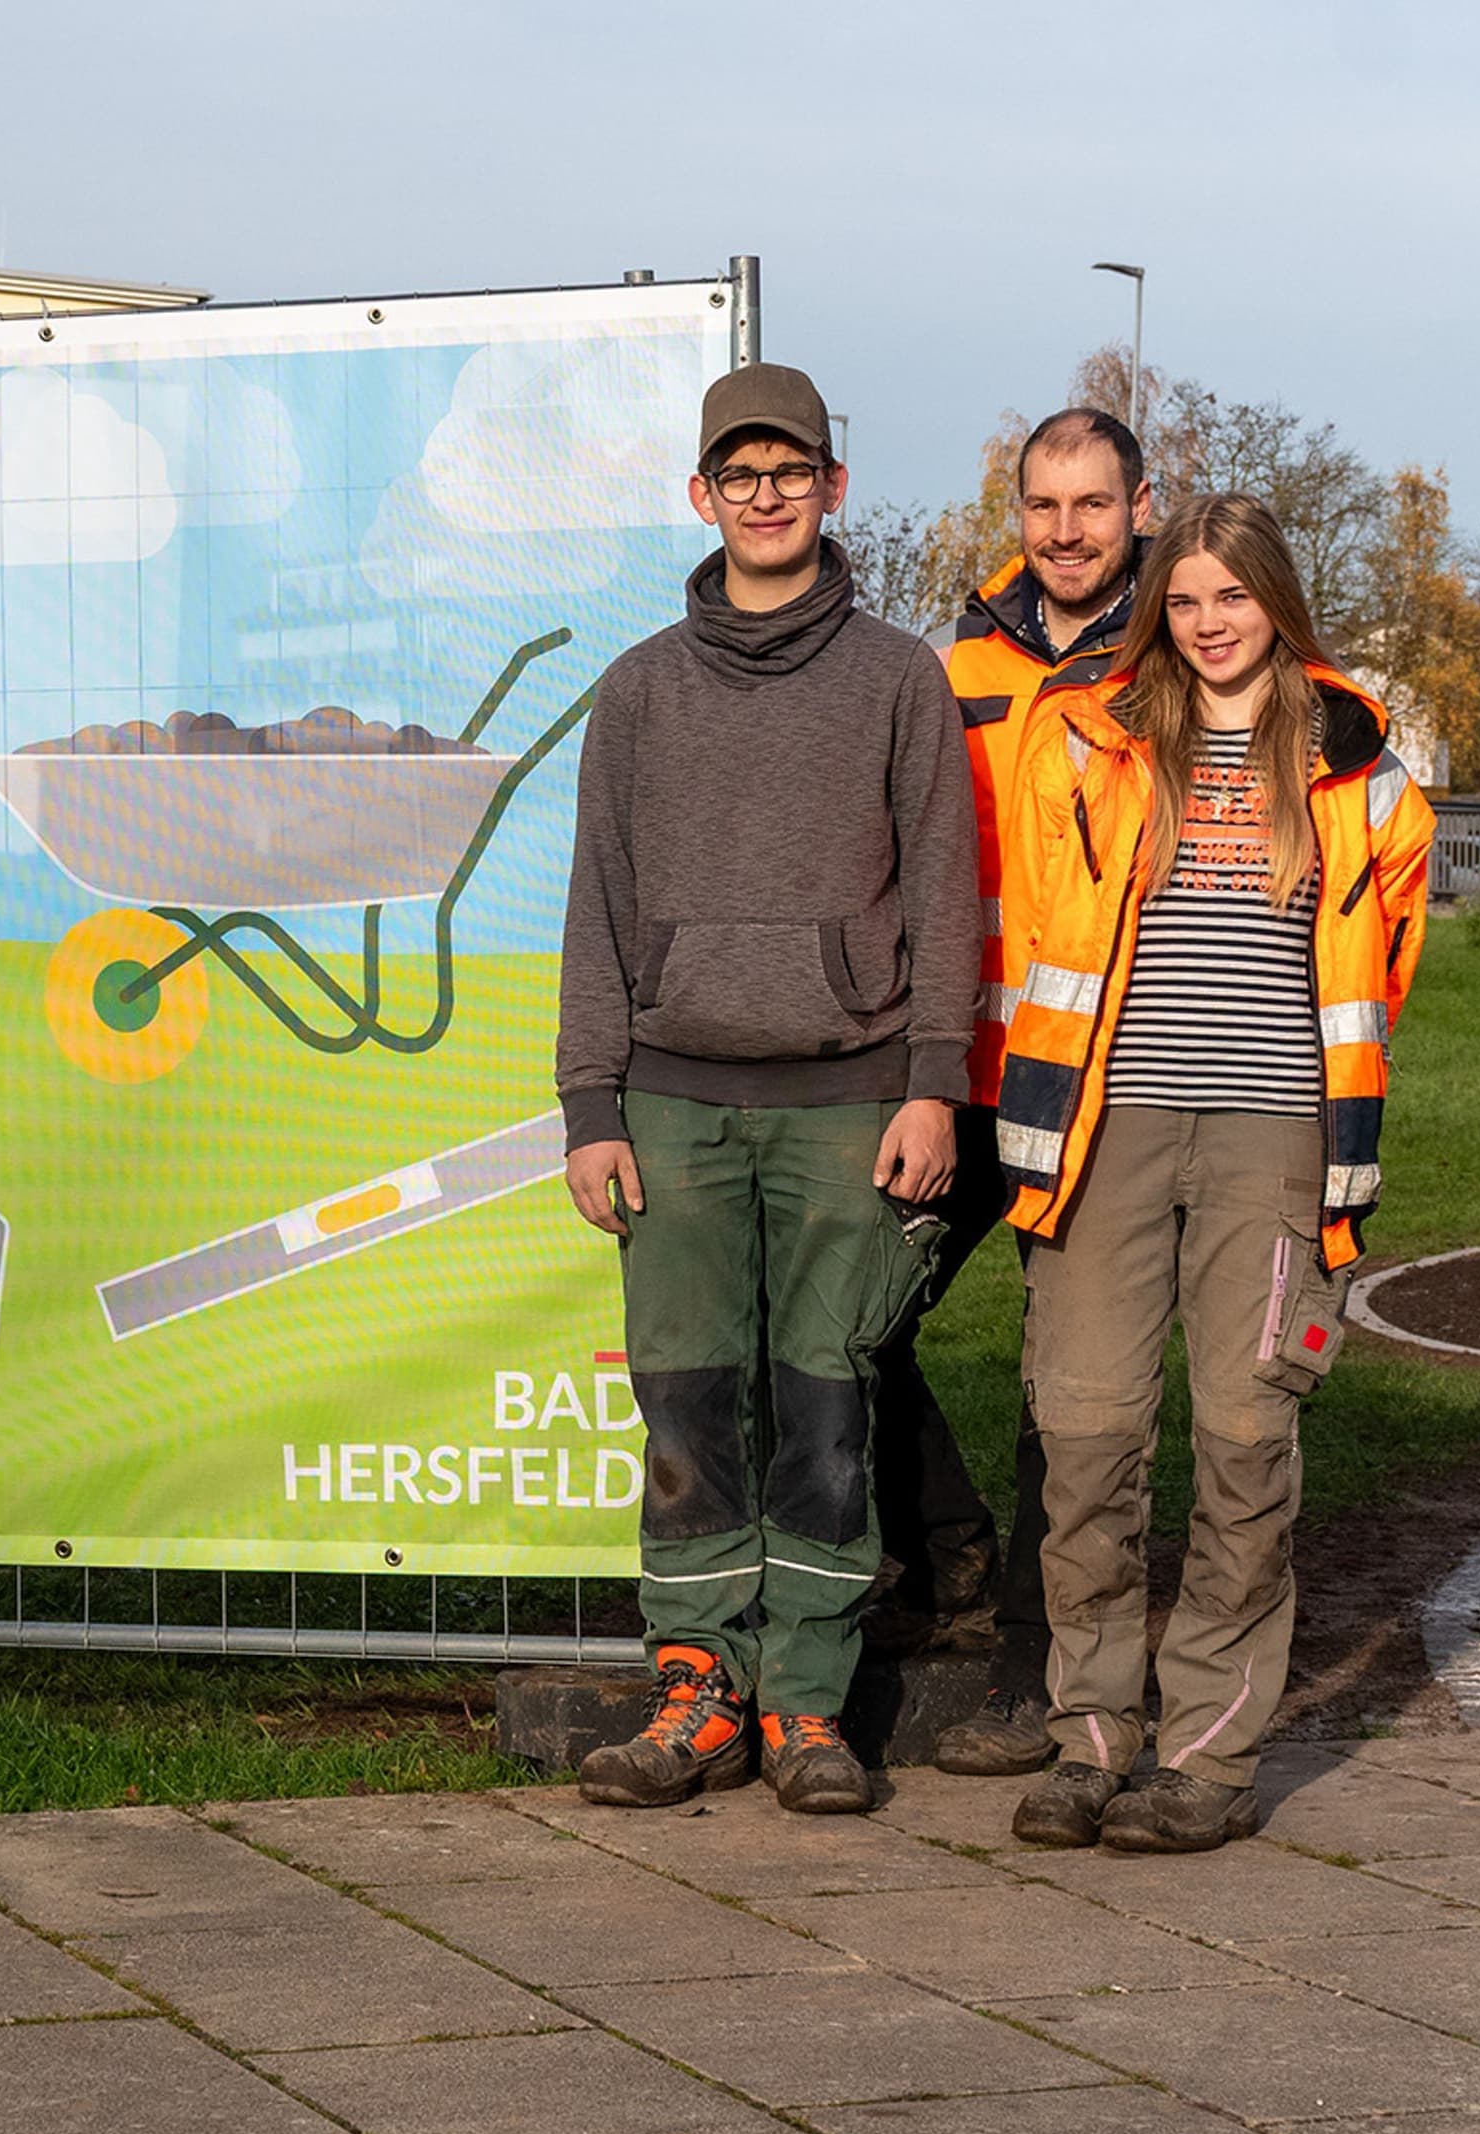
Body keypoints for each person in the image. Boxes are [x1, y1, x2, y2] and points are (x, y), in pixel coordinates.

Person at [557, 360, 978, 1817]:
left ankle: (807, 1702)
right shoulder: (638, 690)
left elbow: (943, 890)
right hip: (672, 1103)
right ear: (702, 496)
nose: (766, 495)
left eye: (790, 471)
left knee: (824, 1405)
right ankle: (699, 1690)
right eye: (740, 474)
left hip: (850, 1098)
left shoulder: (899, 679)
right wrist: (591, 1107)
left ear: (831, 488)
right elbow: (596, 910)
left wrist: (933, 1085)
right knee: (685, 1407)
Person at [988, 495, 1433, 1852]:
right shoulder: (1081, 739)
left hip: (1275, 1140)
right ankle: (1090, 1740)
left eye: (1232, 597)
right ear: (1159, 611)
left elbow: (1383, 973)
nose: (1209, 623)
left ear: (1276, 604)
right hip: (1103, 1133)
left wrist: (1321, 1138)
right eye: (1184, 600)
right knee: (1088, 1441)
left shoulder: (1363, 774)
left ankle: (1209, 1760)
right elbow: (1033, 923)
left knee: (1247, 1445)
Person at [906, 408, 1152, 1779]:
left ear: (1138, 506)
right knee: (852, 1320)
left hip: (1106, 1080)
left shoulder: (1184, 655)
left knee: (1068, 1391)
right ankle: (944, 1550)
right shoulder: (956, 667)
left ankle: (1029, 1671)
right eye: (1043, 506)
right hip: (961, 1071)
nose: (1065, 531)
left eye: (1092, 505)